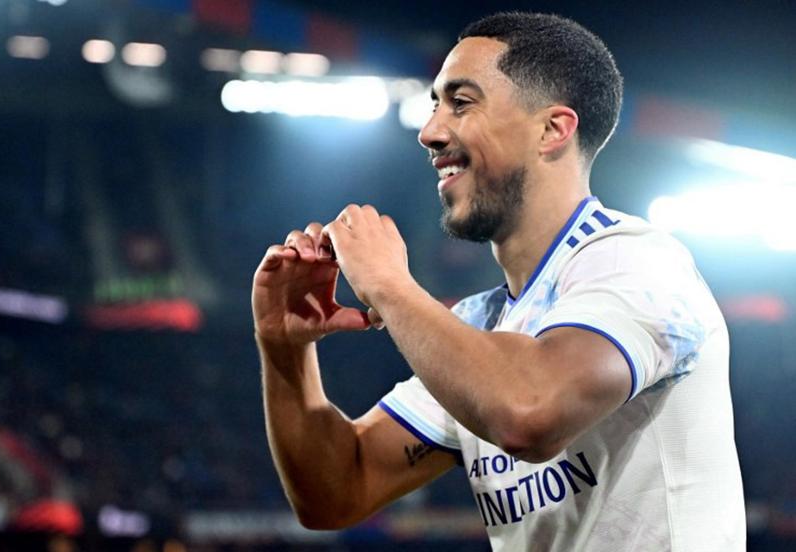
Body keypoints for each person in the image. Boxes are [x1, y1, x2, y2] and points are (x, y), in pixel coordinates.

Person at [251, 11, 745, 551]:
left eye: (461, 103)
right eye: (434, 104)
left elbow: (529, 412)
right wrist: (284, 348)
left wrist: (388, 284)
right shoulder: (483, 328)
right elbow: (337, 490)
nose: (430, 132)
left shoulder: (639, 263)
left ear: (552, 130)